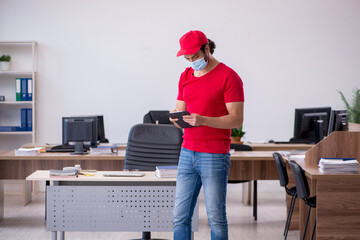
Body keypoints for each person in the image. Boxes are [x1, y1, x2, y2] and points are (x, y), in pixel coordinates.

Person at [171, 30, 244, 240]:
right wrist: (177, 118)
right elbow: (181, 111)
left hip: (214, 155)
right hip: (187, 153)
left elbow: (236, 119)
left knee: (216, 218)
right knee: (180, 217)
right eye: (187, 58)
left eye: (195, 57)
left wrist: (204, 120)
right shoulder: (185, 76)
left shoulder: (228, 76)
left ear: (206, 48)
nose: (192, 62)